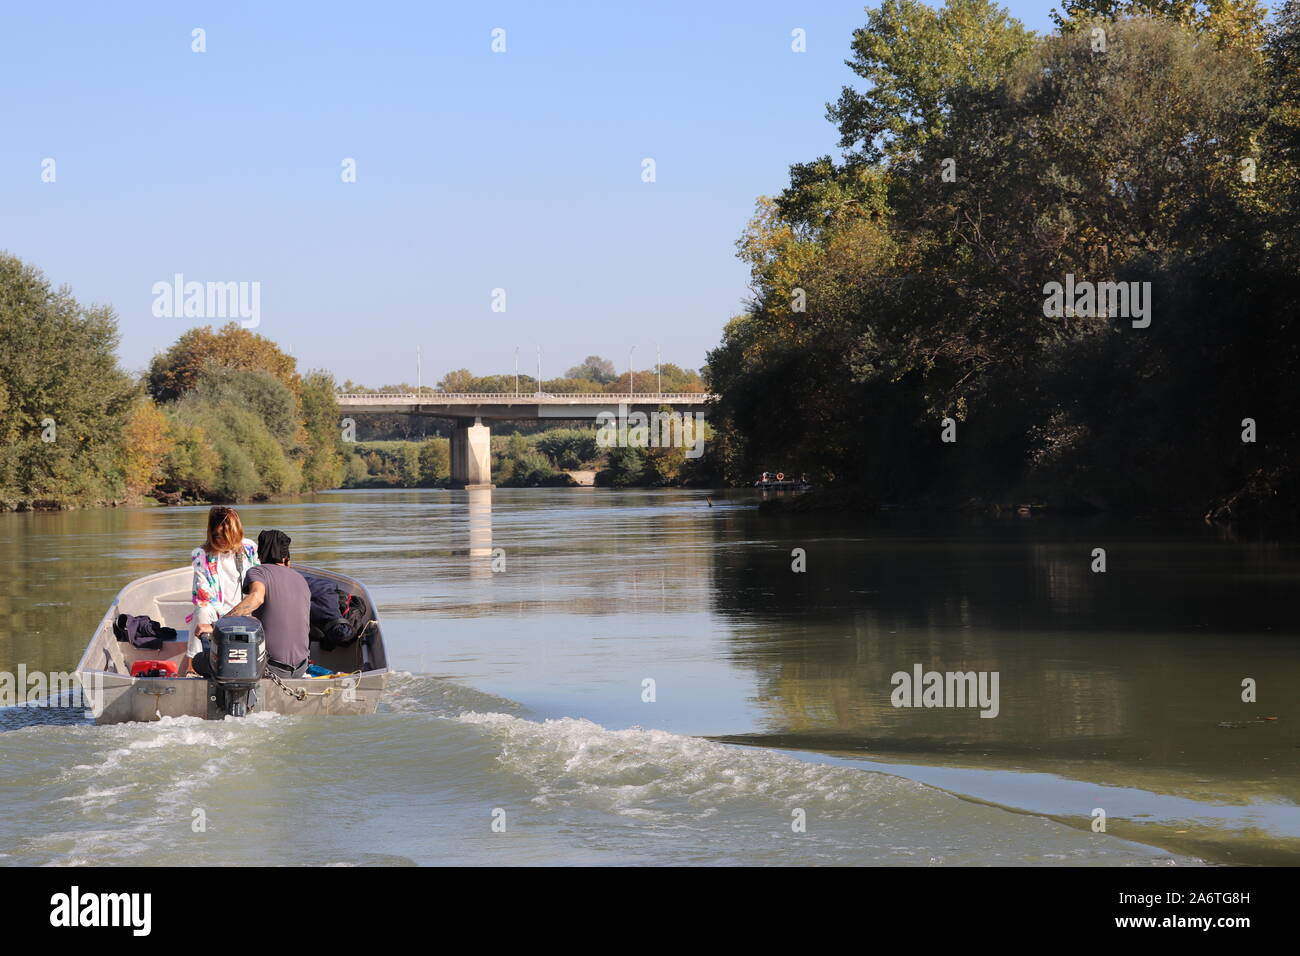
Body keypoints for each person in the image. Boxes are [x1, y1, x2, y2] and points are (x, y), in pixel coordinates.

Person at [218, 529, 312, 679]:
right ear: (287, 559)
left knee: (201, 662)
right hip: (301, 667)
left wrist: (220, 625)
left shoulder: (258, 572)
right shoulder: (301, 579)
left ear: (260, 557)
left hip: (271, 667)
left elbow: (256, 598)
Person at [181, 506, 259, 677]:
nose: (223, 540)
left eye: (227, 535)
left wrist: (246, 611)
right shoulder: (201, 554)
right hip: (216, 613)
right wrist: (224, 621)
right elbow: (203, 596)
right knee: (202, 610)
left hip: (245, 611)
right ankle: (192, 665)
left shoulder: (249, 548)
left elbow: (258, 582)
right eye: (217, 535)